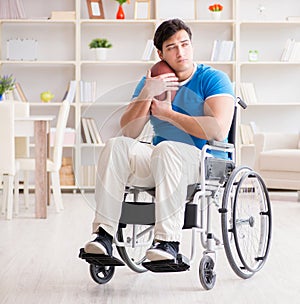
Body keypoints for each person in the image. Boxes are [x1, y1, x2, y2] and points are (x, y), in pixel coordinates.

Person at [84, 18, 235, 261]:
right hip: (161, 160)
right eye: (172, 47)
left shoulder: (213, 79)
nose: (180, 52)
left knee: (167, 149)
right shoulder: (151, 82)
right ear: (160, 53)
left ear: (192, 46)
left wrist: (169, 115)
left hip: (204, 162)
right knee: (116, 146)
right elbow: (129, 132)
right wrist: (146, 93)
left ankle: (168, 243)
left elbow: (217, 130)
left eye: (184, 44)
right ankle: (103, 235)